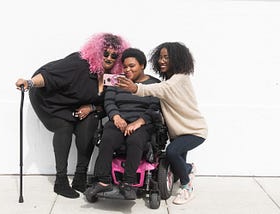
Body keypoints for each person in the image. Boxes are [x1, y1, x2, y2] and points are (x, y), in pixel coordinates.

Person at [15, 33, 130, 199]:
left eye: (114, 55)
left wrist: (91, 108)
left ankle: (80, 178)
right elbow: (49, 75)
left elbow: (108, 103)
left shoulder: (111, 77)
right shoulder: (79, 64)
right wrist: (29, 82)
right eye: (105, 53)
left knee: (91, 121)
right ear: (97, 52)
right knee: (64, 127)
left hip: (76, 105)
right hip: (49, 100)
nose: (110, 58)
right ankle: (60, 181)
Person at [117, 42, 208, 205]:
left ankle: (187, 188)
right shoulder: (171, 79)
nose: (161, 60)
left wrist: (135, 88)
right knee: (177, 169)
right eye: (160, 57)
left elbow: (158, 89)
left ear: (177, 59)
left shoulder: (179, 79)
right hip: (178, 132)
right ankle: (188, 169)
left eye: (166, 57)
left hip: (194, 131)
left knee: (172, 152)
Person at [84, 48, 161, 200]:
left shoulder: (154, 84)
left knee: (135, 140)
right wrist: (116, 116)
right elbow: (109, 101)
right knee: (107, 139)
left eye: (131, 66)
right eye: (125, 66)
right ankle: (103, 181)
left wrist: (139, 122)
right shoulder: (116, 81)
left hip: (142, 123)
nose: (127, 70)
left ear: (142, 65)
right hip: (119, 121)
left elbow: (154, 107)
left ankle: (128, 183)